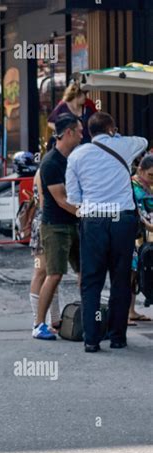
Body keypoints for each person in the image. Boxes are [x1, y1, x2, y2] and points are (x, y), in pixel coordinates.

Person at [66, 112, 148, 352]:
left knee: (91, 281)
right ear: (111, 128)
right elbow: (143, 141)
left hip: (93, 221)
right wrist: (117, 135)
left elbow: (73, 197)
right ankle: (117, 337)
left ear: (89, 132)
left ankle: (91, 339)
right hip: (122, 220)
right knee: (121, 279)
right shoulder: (122, 145)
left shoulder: (77, 155)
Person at [33, 114, 83, 340]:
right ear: (70, 132)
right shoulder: (52, 162)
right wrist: (88, 214)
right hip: (55, 226)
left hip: (74, 224)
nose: (82, 135)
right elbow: (61, 199)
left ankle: (88, 317)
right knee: (54, 274)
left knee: (85, 272)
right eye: (80, 131)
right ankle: (38, 324)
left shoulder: (73, 158)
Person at [29, 168, 61, 332]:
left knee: (53, 273)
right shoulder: (45, 170)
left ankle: (54, 319)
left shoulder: (44, 170)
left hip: (45, 222)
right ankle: (38, 321)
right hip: (45, 223)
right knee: (42, 272)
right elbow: (43, 202)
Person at [129, 153, 153, 324]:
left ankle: (132, 311)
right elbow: (137, 212)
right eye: (150, 174)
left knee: (141, 272)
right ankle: (127, 311)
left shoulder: (148, 186)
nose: (152, 178)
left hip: (148, 235)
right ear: (141, 170)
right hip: (135, 234)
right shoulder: (132, 185)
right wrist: (147, 224)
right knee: (131, 273)